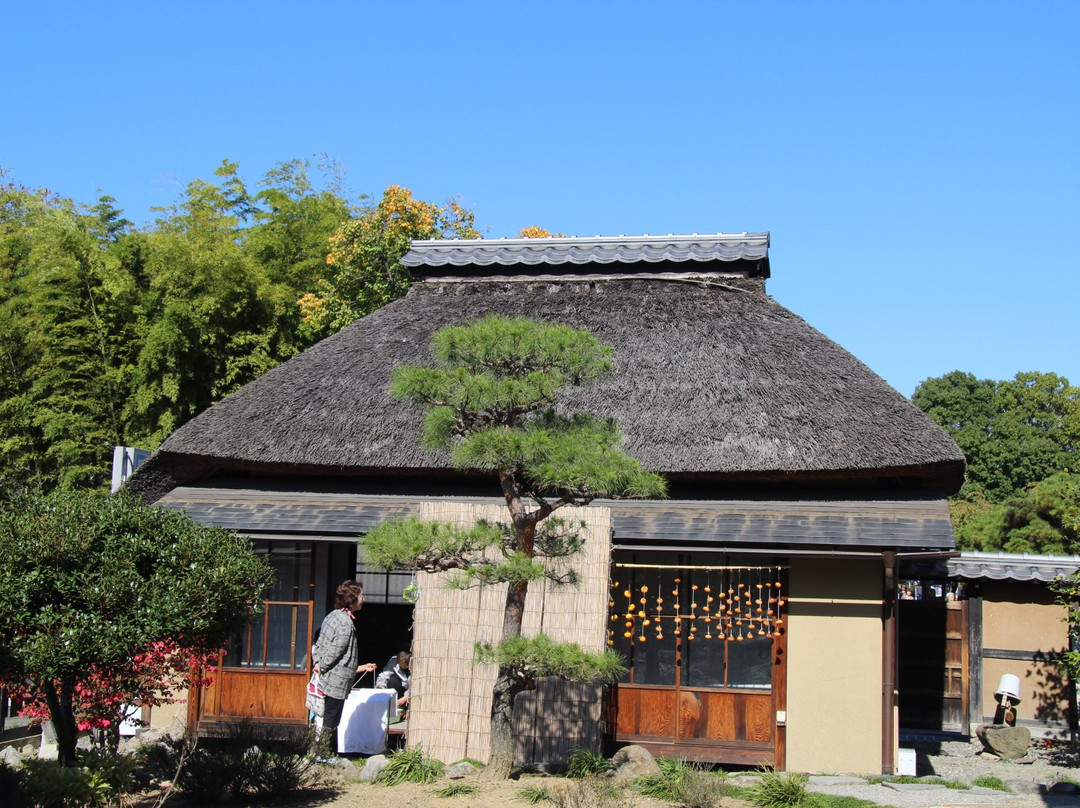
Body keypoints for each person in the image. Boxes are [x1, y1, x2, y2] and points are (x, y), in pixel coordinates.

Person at [312, 580, 377, 755]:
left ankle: (329, 753)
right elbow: (336, 649)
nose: (363, 599)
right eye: (361, 595)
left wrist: (317, 662)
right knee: (331, 719)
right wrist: (322, 664)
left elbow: (318, 643)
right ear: (352, 598)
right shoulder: (345, 622)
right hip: (336, 679)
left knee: (329, 717)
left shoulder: (332, 615)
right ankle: (324, 754)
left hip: (328, 676)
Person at [376, 651, 411, 716]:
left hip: (408, 690)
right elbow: (383, 676)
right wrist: (382, 687)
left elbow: (414, 688)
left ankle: (404, 708)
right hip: (399, 689)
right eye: (400, 664)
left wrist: (404, 699)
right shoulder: (394, 661)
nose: (401, 666)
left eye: (404, 665)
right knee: (392, 681)